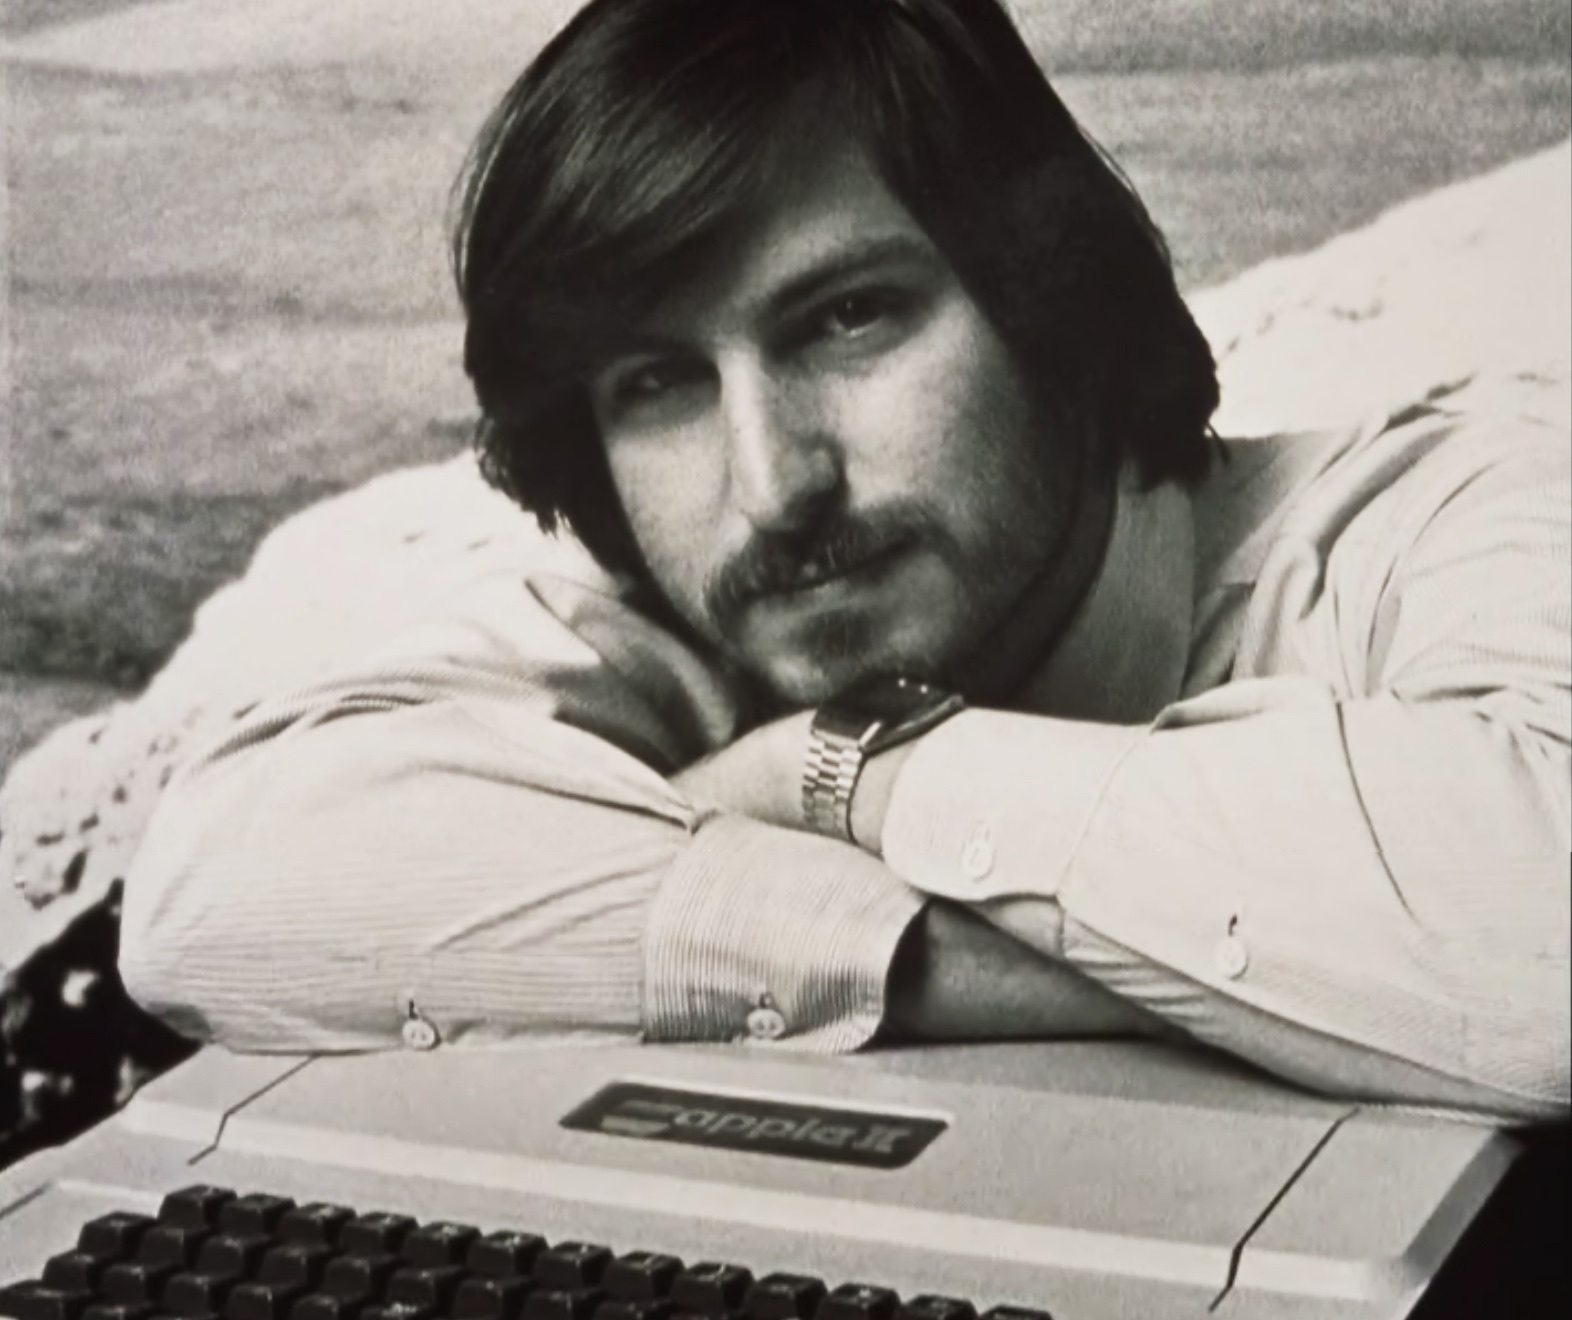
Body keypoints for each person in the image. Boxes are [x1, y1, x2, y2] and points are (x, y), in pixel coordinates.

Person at [119, 0, 1568, 1123]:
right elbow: (214, 898)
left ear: (1051, 296)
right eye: (658, 384)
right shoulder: (688, 621)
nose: (772, 483)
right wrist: (973, 964)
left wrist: (856, 771)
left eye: (851, 317)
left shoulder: (1463, 507)